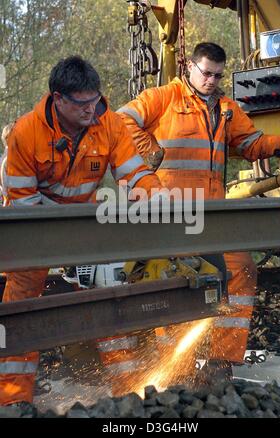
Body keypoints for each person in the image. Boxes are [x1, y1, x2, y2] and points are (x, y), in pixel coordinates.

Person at [118, 42, 280, 382]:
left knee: (241, 271)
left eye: (218, 75)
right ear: (189, 66)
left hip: (212, 216)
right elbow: (120, 120)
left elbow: (251, 145)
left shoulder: (226, 109)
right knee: (176, 285)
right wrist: (149, 148)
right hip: (172, 215)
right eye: (206, 73)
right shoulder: (164, 98)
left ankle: (221, 361)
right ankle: (177, 368)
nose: (212, 81)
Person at [0, 56, 162, 405]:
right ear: (58, 99)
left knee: (108, 296)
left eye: (95, 100)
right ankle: (13, 402)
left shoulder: (110, 124)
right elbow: (24, 205)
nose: (92, 109)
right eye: (82, 103)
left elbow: (133, 173)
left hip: (82, 224)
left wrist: (154, 195)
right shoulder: (25, 133)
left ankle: (128, 394)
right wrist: (66, 235)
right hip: (33, 229)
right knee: (20, 312)